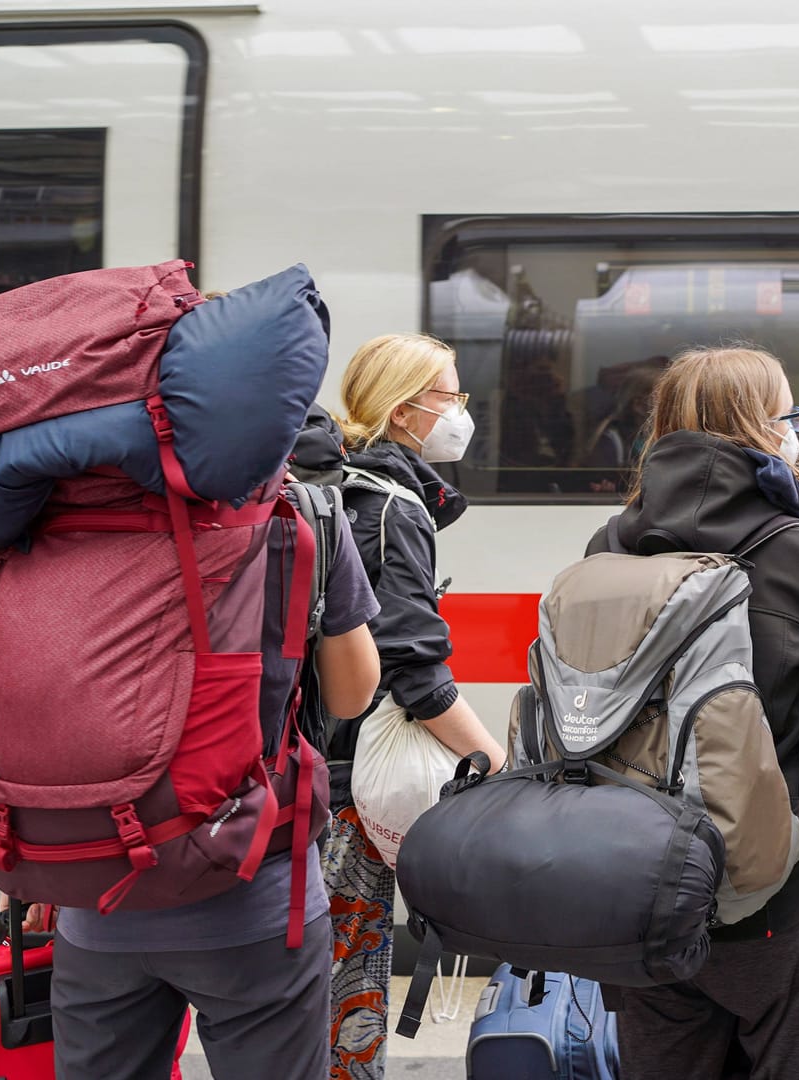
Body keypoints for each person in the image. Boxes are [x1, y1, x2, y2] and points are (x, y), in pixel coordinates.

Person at [594, 345, 799, 1080]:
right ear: (760, 427)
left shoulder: (608, 545)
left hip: (638, 880)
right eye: (790, 413)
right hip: (782, 889)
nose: (798, 428)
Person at [34, 477, 383, 1080]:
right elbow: (351, 697)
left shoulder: (66, 500)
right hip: (253, 900)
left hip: (95, 893)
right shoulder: (302, 514)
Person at [324, 332, 508, 1076]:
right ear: (404, 414)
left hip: (316, 764)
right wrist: (492, 763)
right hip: (349, 787)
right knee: (349, 978)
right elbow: (416, 671)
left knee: (314, 978)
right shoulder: (391, 506)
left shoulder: (338, 485)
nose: (460, 413)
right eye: (449, 397)